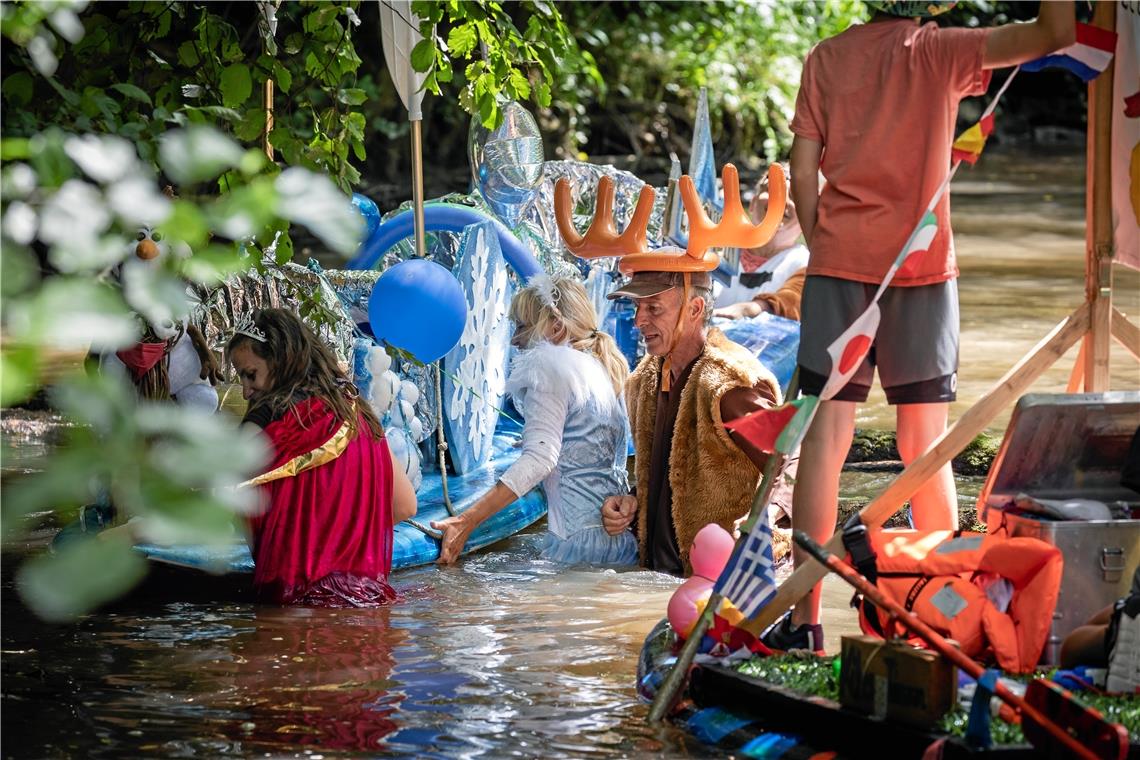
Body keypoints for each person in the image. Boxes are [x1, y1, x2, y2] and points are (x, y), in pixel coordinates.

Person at [769, 0, 1076, 652]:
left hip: (837, 267)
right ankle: (940, 618)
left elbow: (803, 167)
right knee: (926, 444)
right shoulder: (939, 51)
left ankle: (803, 621)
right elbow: (1056, 34)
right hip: (924, 269)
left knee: (825, 443)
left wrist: (823, 240)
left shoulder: (826, 57)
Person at [431, 275, 638, 566]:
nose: (515, 339)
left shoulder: (549, 365)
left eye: (523, 326)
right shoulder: (603, 369)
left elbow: (541, 459)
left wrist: (466, 521)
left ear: (555, 326)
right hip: (616, 542)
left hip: (574, 546)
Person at [600, 265, 786, 577]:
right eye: (637, 308)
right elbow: (675, 475)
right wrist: (632, 502)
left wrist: (768, 515)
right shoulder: (644, 380)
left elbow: (797, 460)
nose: (638, 321)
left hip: (730, 578)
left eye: (653, 308)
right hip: (663, 578)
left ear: (694, 308)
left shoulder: (729, 385)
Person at [227, 308, 417, 606]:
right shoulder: (359, 414)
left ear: (280, 359)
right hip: (364, 602)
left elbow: (230, 490)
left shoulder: (268, 422)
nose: (246, 391)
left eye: (250, 375)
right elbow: (405, 505)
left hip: (293, 600)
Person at [714, 164, 810, 322]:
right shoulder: (716, 248)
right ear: (752, 204)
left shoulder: (805, 263)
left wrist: (755, 308)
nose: (781, 201)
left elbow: (795, 298)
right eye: (771, 189)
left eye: (793, 196)